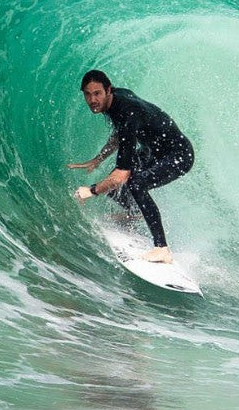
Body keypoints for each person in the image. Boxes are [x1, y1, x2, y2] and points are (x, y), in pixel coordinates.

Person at [69, 69, 194, 264]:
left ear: (108, 90)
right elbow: (121, 134)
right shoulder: (116, 101)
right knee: (113, 182)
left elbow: (121, 175)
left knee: (132, 183)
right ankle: (134, 213)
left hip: (178, 154)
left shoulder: (127, 111)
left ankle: (162, 249)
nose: (92, 100)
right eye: (87, 94)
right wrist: (98, 159)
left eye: (97, 93)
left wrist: (91, 191)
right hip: (154, 151)